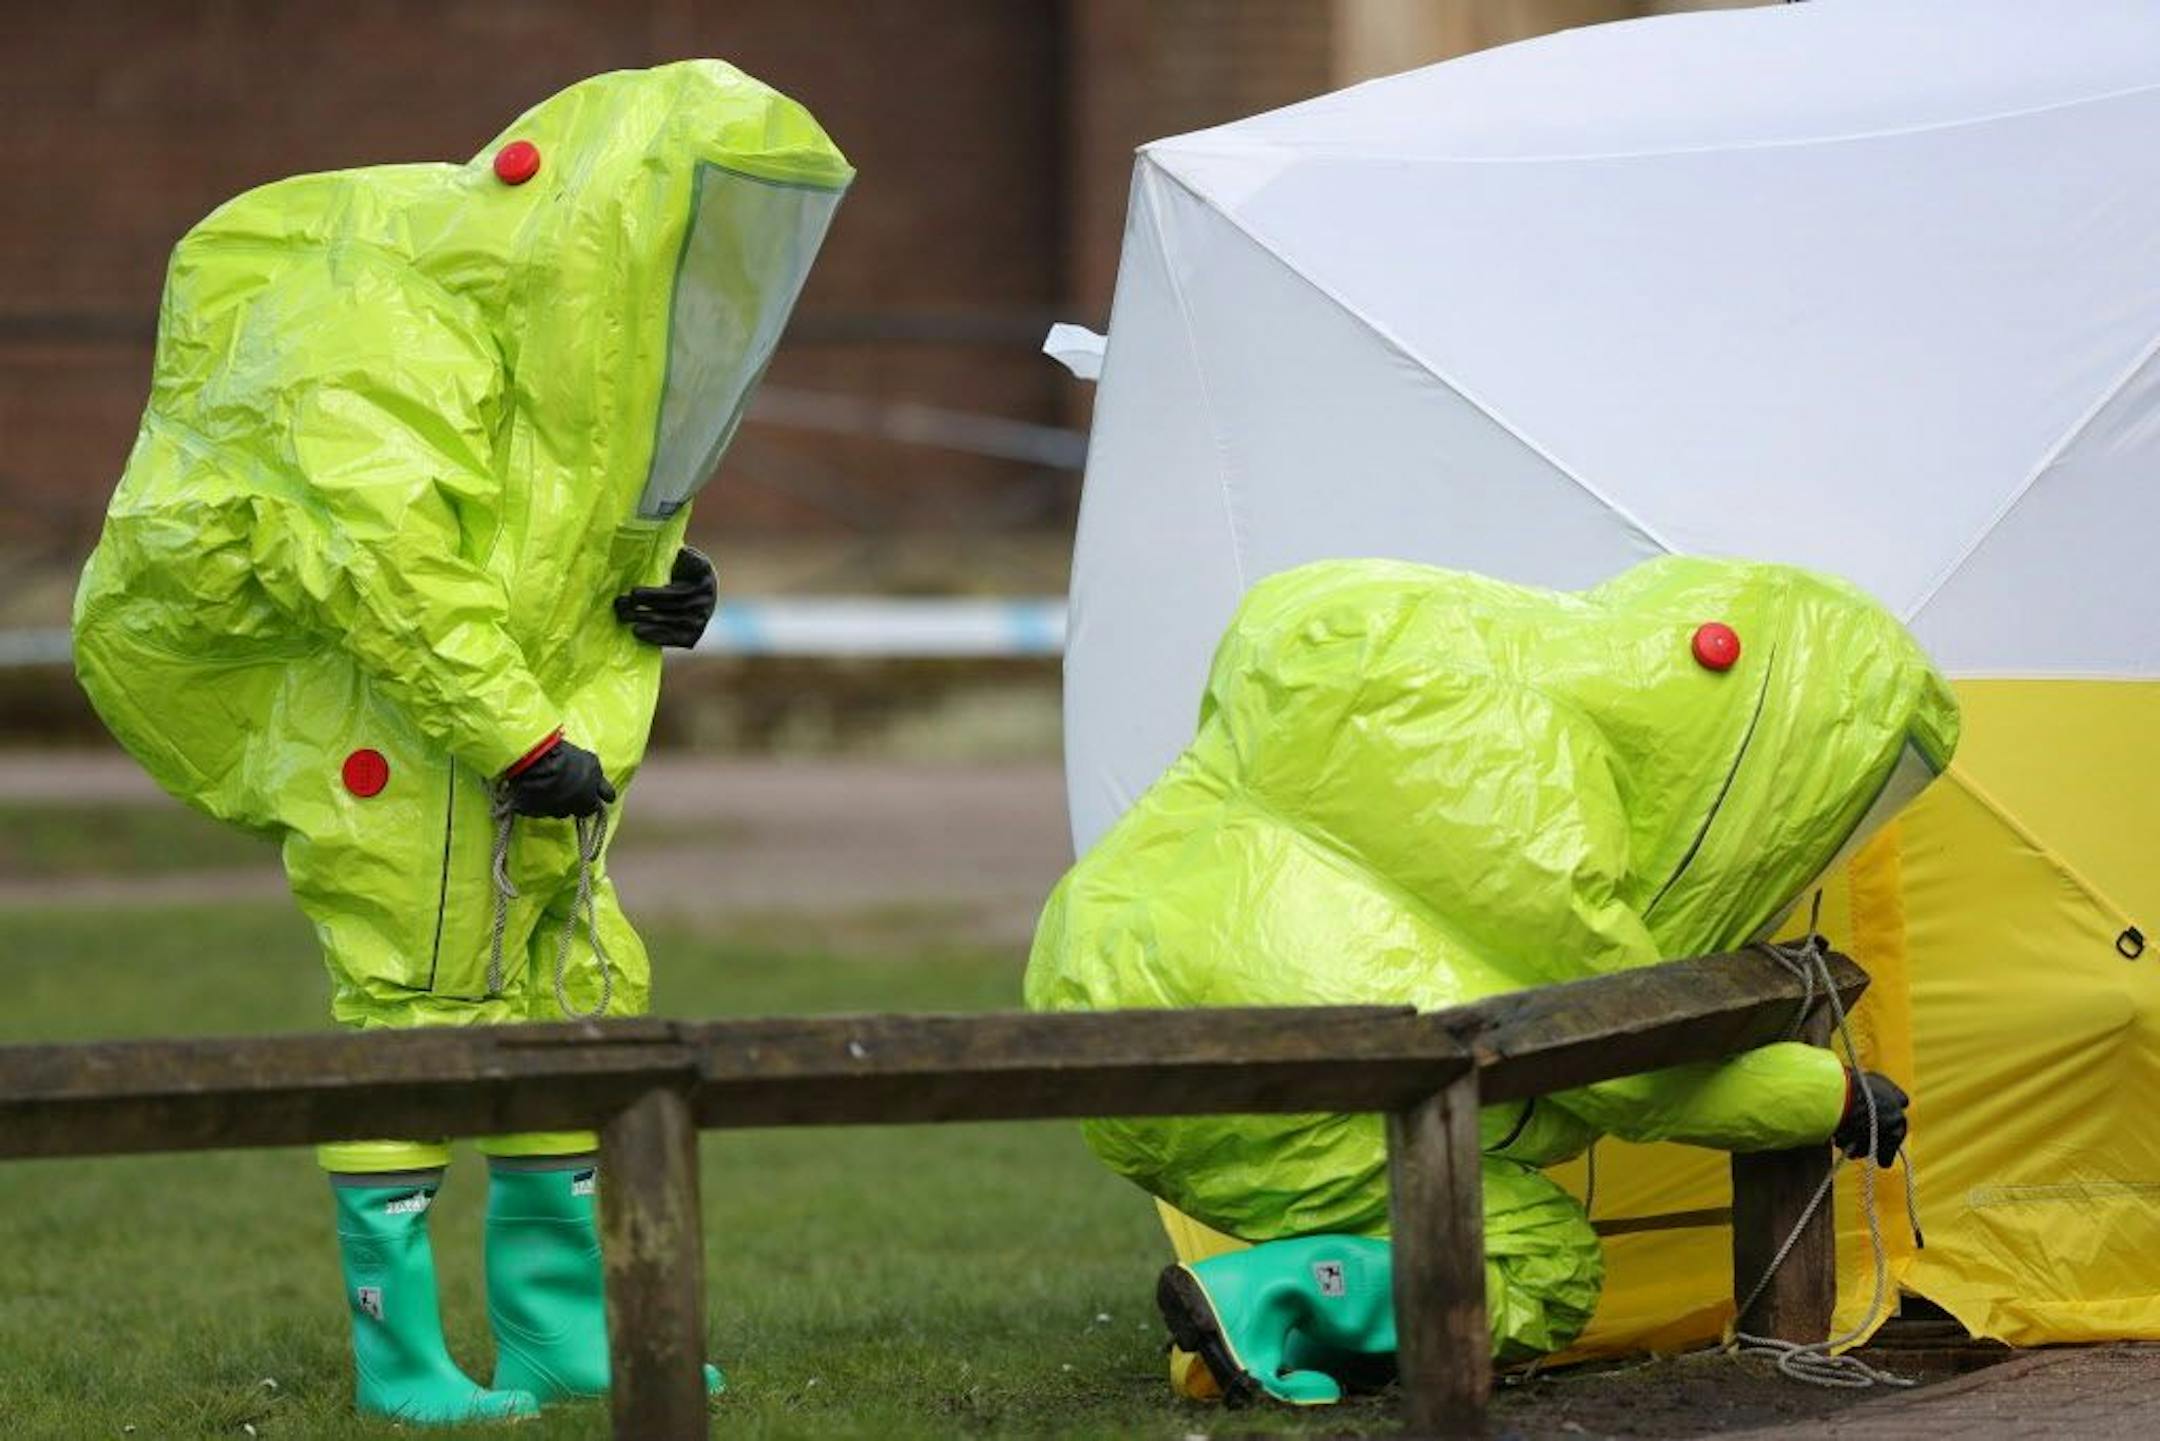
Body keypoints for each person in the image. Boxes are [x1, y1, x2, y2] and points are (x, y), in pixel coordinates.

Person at [73, 61, 850, 1425]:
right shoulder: (376, 319)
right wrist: (520, 734)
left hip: (497, 728)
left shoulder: (564, 334)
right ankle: (403, 1361)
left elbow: (540, 524)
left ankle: (556, 1338)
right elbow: (394, 574)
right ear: (624, 217)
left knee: (568, 995)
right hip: (383, 712)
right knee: (420, 1000)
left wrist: (660, 584)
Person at [1025, 555, 1953, 1404]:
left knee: (1407, 1194)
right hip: (1308, 1050)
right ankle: (1272, 1299)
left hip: (1097, 970)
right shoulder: (1543, 806)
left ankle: (1252, 1336)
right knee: (1538, 1260)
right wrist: (1826, 1093)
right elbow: (1622, 1055)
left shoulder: (1440, 668)